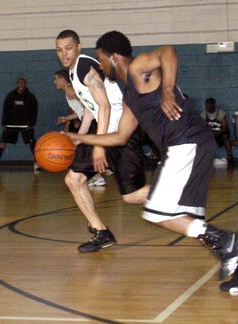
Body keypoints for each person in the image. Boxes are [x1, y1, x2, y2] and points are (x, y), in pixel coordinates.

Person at [66, 30, 238, 294]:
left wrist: (168, 91)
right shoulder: (130, 96)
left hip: (186, 142)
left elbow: (168, 52)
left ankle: (227, 240)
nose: (100, 66)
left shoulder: (138, 68)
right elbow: (121, 136)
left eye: (101, 59)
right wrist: (85, 140)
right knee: (188, 220)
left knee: (156, 210)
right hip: (192, 144)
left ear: (114, 57)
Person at [55, 30, 150, 252]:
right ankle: (101, 232)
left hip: (119, 132)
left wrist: (98, 146)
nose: (64, 54)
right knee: (74, 180)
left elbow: (105, 106)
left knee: (133, 195)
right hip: (105, 128)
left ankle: (180, 194)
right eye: (59, 50)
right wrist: (83, 135)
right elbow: (93, 107)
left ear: (78, 47)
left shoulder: (82, 67)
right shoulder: (74, 72)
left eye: (68, 48)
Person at [53, 69, 105, 187]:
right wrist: (67, 118)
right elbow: (82, 110)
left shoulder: (70, 90)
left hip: (92, 123)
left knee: (81, 151)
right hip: (89, 121)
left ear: (62, 79)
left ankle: (96, 177)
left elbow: (90, 103)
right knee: (84, 151)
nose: (54, 82)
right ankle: (96, 175)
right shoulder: (70, 90)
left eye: (55, 79)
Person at [0, 78, 38, 169]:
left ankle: (37, 162)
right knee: (3, 142)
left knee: (32, 142)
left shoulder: (30, 97)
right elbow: (5, 110)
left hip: (25, 125)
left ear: (25, 84)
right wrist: (4, 123)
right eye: (19, 83)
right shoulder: (10, 96)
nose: (21, 85)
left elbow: (34, 111)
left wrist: (31, 124)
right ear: (17, 84)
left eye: (22, 83)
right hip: (11, 124)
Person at [199, 97, 234, 163]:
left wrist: (216, 133)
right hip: (210, 134)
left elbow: (224, 127)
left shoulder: (220, 113)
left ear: (213, 105)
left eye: (209, 104)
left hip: (220, 133)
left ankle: (230, 156)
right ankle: (207, 158)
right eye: (206, 104)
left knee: (225, 137)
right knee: (203, 139)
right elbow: (202, 127)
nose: (207, 106)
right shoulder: (203, 114)